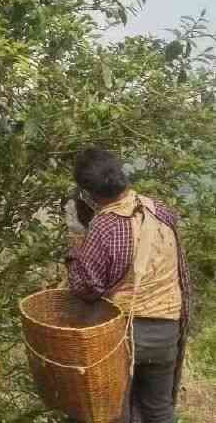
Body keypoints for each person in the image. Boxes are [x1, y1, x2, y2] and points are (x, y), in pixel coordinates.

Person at [64, 149, 191, 423]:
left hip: (124, 335)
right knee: (159, 410)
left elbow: (86, 287)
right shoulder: (162, 211)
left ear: (88, 192)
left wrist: (76, 239)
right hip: (167, 329)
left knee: (114, 411)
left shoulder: (106, 225)